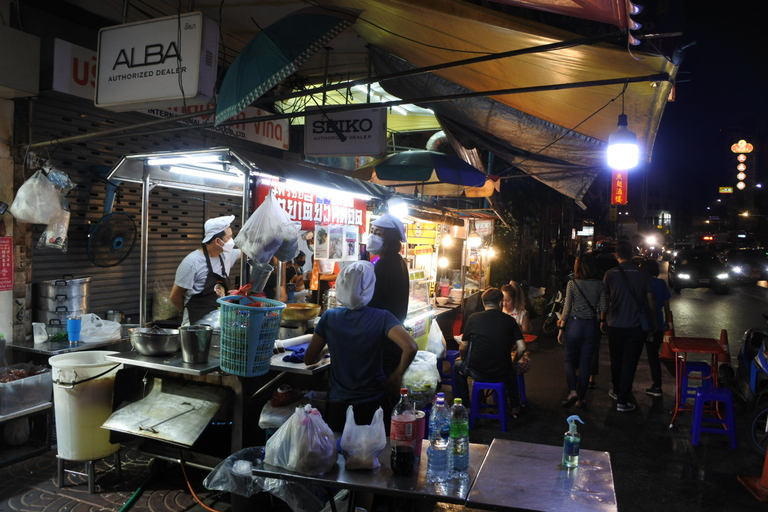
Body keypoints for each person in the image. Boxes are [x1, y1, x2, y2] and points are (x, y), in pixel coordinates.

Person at [304, 261, 418, 433]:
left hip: (338, 406)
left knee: (339, 455)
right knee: (372, 456)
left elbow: (308, 359)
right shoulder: (382, 317)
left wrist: (330, 348)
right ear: (370, 287)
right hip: (373, 405)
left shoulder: (329, 317)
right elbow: (410, 346)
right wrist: (397, 374)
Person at [601, 241, 657, 412]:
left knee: (616, 360)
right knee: (629, 362)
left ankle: (618, 391)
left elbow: (605, 301)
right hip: (636, 326)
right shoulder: (643, 273)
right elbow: (650, 300)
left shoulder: (610, 274)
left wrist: (603, 320)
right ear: (632, 254)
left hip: (615, 324)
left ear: (616, 255)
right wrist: (653, 321)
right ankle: (623, 400)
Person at [454, 288, 527, 416]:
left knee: (456, 366)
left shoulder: (473, 318)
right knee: (511, 368)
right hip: (502, 372)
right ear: (500, 303)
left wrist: (462, 358)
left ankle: (466, 406)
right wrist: (514, 362)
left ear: (483, 303)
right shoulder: (510, 320)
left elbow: (462, 347)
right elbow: (522, 347)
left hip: (477, 372)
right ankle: (515, 406)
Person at [170, 215, 241, 326]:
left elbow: (248, 251)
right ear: (218, 241)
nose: (232, 241)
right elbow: (174, 297)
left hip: (219, 320)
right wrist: (186, 313)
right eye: (229, 237)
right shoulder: (192, 262)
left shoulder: (225, 256)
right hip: (196, 324)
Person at [557, 253, 607, 409]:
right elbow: (604, 308)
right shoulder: (600, 284)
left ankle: (572, 391)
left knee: (570, 361)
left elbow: (566, 309)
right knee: (585, 364)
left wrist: (561, 328)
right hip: (591, 326)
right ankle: (580, 399)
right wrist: (601, 321)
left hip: (574, 325)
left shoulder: (573, 283)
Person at [366, 213, 410, 379]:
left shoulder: (384, 264)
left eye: (378, 233)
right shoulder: (398, 260)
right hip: (394, 336)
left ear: (390, 238)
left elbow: (374, 302)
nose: (372, 236)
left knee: (382, 390)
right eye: (372, 231)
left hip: (385, 339)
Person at [641, 258, 671, 397]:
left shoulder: (642, 283)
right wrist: (667, 321)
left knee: (632, 355)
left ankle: (624, 387)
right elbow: (666, 304)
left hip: (641, 323)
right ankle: (657, 386)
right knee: (654, 356)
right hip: (658, 323)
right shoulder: (661, 284)